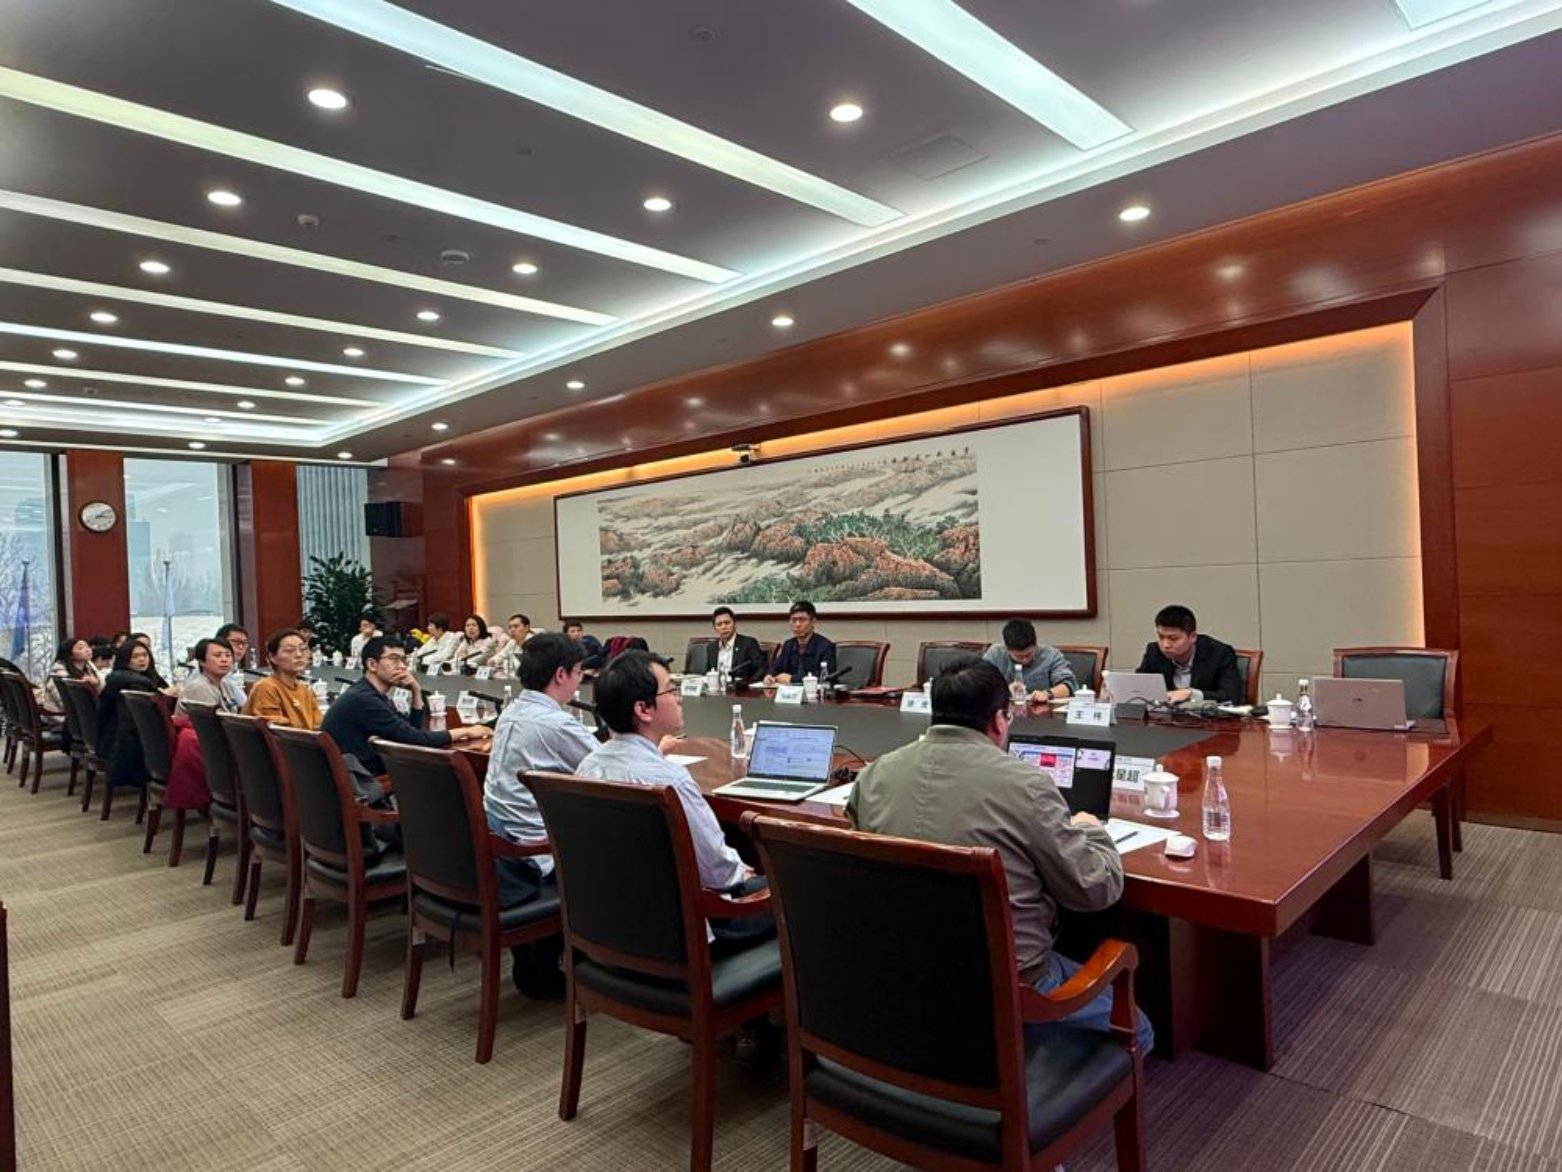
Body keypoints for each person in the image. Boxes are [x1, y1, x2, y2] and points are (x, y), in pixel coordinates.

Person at [847, 655, 1153, 1052]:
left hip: (900, 970)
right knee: (1141, 1031)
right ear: (999, 719)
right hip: (1007, 985)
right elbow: (1094, 890)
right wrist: (1092, 832)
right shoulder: (1025, 784)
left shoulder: (874, 774)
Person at [577, 650, 772, 947]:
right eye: (671, 689)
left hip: (610, 929)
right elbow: (719, 874)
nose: (679, 697)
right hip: (686, 936)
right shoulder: (670, 781)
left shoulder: (587, 767)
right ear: (643, 709)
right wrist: (741, 869)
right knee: (805, 888)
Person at [482, 632, 596, 996]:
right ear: (561, 674)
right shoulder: (555, 724)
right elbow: (607, 769)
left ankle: (540, 963)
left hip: (499, 843)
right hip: (532, 853)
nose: (581, 679)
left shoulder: (511, 711)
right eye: (579, 671)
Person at [321, 635, 487, 776]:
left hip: (358, 775)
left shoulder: (371, 694)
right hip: (362, 782)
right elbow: (416, 740)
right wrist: (466, 731)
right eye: (394, 659)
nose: (402, 666)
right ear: (372, 664)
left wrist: (416, 691)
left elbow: (410, 731)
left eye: (403, 660)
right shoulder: (364, 699)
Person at [96, 641, 177, 794]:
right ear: (125, 659)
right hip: (135, 748)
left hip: (115, 745)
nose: (142, 659)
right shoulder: (136, 685)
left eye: (145, 655)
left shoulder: (121, 679)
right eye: (135, 656)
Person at [1135, 604, 1243, 704]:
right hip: (1164, 716)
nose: (1165, 645)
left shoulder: (1220, 653)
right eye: (1161, 637)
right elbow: (1138, 687)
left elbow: (1231, 696)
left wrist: (1191, 694)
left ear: (1192, 637)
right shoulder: (1154, 652)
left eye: (1173, 638)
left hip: (1205, 716)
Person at [243, 629, 322, 730]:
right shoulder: (266, 687)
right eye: (289, 650)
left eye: (303, 649)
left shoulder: (305, 689)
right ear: (272, 657)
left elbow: (319, 725)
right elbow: (277, 731)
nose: (299, 655)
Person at [982, 618, 1078, 701]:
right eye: (1019, 656)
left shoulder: (1051, 655)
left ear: (1035, 644)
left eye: (1029, 654)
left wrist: (1048, 694)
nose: (1025, 660)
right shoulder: (995, 654)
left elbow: (1069, 685)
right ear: (1007, 649)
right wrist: (1004, 690)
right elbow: (980, 684)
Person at [765, 600, 837, 684]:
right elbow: (776, 668)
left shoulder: (825, 646)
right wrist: (769, 675)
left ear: (813, 622)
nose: (797, 624)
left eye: (802, 620)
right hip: (789, 691)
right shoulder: (788, 645)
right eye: (794, 620)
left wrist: (792, 679)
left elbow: (825, 676)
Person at [695, 606, 767, 683]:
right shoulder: (712, 647)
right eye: (719, 624)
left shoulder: (748, 643)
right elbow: (709, 672)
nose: (724, 627)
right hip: (716, 687)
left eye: (727, 623)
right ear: (715, 628)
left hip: (739, 688)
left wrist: (747, 684)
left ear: (734, 623)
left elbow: (762, 668)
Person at [175, 638, 245, 716]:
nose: (224, 660)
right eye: (217, 655)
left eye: (228, 655)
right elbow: (210, 721)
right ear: (201, 661)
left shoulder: (226, 684)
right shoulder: (200, 686)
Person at [38, 637, 95, 719]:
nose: (87, 650)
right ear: (70, 654)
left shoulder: (90, 670)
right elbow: (64, 703)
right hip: (62, 719)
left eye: (88, 646)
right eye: (81, 648)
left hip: (78, 717)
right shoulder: (58, 673)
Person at [215, 623, 251, 703]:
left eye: (244, 643)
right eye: (236, 641)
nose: (241, 647)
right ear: (220, 642)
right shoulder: (214, 671)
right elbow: (243, 703)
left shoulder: (232, 669)